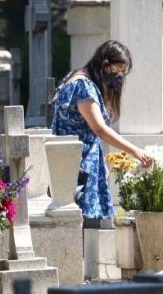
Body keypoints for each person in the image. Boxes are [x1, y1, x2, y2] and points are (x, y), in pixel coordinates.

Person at [51, 40, 151, 227]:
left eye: (123, 71)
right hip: (77, 165)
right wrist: (135, 151)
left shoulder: (76, 77)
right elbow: (99, 128)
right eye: (117, 69)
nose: (119, 75)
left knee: (86, 225)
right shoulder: (83, 86)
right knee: (80, 223)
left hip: (73, 160)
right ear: (105, 64)